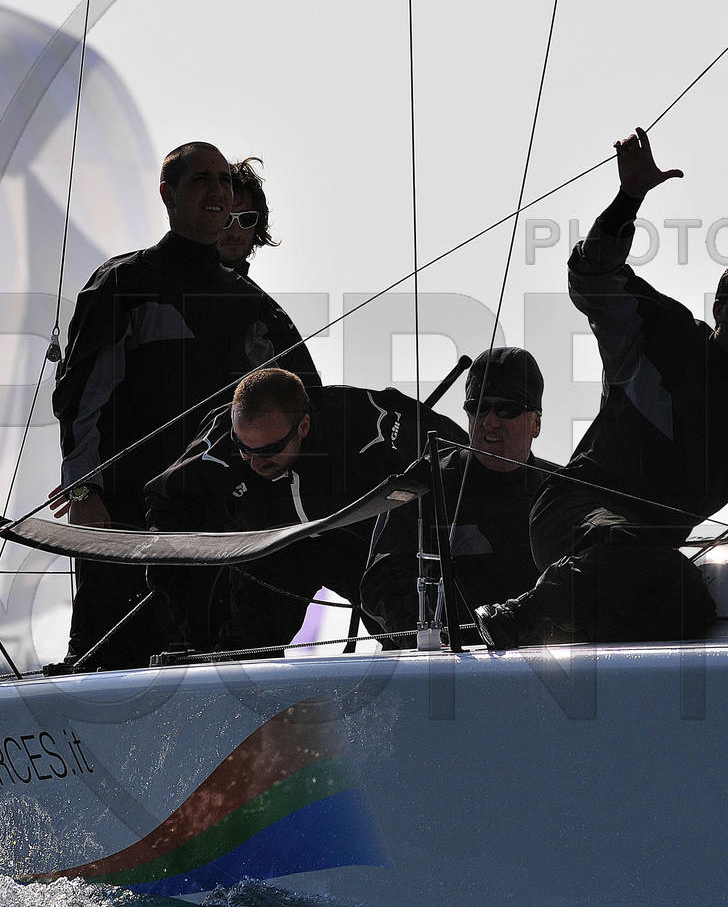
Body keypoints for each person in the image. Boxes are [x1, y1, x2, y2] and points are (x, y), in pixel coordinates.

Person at [474, 127, 728, 649]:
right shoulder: (662, 334)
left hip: (645, 558)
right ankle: (522, 615)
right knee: (632, 547)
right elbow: (592, 277)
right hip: (572, 512)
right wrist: (629, 197)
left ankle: (561, 636)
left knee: (692, 608)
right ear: (719, 306)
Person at [50, 140, 321, 671]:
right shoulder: (124, 283)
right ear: (168, 194)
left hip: (217, 527)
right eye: (202, 179)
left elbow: (307, 407)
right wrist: (82, 489)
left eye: (224, 181)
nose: (218, 191)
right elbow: (79, 399)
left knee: (212, 664)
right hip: (120, 519)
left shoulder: (253, 307)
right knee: (106, 662)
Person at [145, 368, 464, 653]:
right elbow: (164, 500)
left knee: (405, 626)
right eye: (244, 449)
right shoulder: (218, 443)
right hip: (271, 545)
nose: (255, 463)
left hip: (358, 542)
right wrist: (174, 590)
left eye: (270, 450)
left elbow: (458, 458)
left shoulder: (366, 427)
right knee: (244, 645)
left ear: (303, 426)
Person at [359, 347, 550, 646]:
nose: (490, 421)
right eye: (478, 408)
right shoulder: (426, 482)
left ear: (536, 424)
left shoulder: (560, 491)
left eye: (507, 409)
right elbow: (382, 580)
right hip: (449, 662)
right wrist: (426, 639)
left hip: (545, 661)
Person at [218, 159, 276, 276]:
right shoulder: (178, 282)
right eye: (225, 219)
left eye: (247, 219)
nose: (235, 233)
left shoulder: (252, 290)